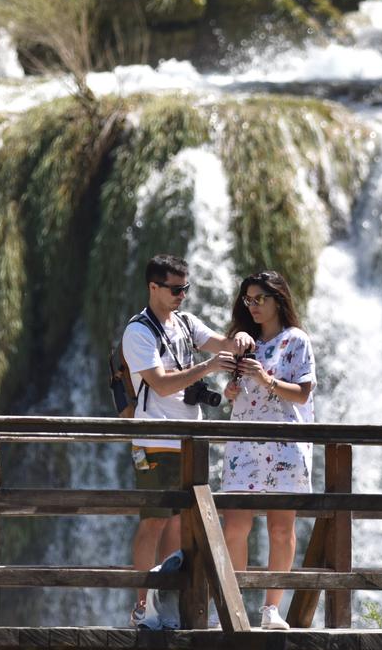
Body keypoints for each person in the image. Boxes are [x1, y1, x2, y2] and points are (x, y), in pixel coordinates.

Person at [122, 254, 253, 628]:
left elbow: (221, 343)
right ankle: (142, 607)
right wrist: (210, 367)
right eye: (175, 289)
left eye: (186, 288)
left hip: (189, 441)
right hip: (156, 440)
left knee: (181, 527)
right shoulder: (138, 331)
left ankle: (170, 608)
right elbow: (161, 383)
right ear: (153, 287)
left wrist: (238, 337)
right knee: (153, 523)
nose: (182, 295)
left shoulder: (184, 322)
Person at [220, 270, 317, 631]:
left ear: (278, 299)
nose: (254, 306)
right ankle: (232, 606)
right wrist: (232, 390)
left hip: (283, 443)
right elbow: (233, 388)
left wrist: (267, 380)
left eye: (260, 298)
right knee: (235, 527)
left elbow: (303, 393)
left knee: (280, 529)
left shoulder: (296, 341)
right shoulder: (243, 341)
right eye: (248, 300)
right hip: (244, 441)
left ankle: (270, 610)